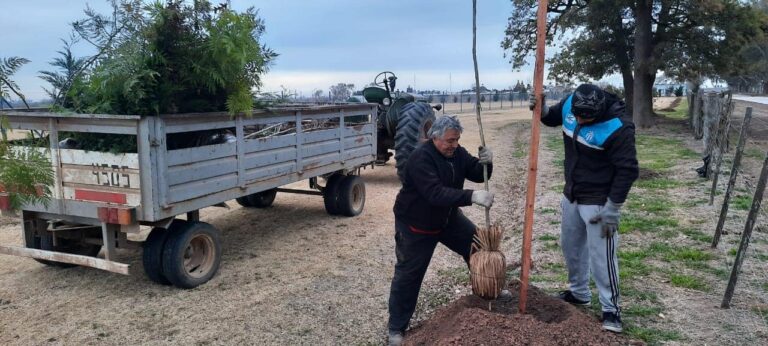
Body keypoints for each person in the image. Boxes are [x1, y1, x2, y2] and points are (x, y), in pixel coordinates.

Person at [531, 84, 638, 333]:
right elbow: (554, 118)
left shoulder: (619, 128)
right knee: (571, 248)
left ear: (599, 111)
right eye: (577, 115)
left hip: (599, 201)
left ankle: (611, 309)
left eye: (585, 118)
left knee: (602, 257)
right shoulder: (572, 102)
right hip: (572, 193)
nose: (579, 120)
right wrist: (543, 109)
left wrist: (613, 208)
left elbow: (628, 170)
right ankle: (579, 293)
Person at [387, 115, 494, 345]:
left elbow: (476, 172)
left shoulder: (457, 153)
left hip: (447, 219)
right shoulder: (420, 158)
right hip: (417, 225)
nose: (454, 145)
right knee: (409, 275)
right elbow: (435, 194)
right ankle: (396, 328)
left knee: (479, 246)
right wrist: (472, 196)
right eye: (449, 141)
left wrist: (486, 162)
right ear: (434, 137)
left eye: (456, 140)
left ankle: (485, 292)